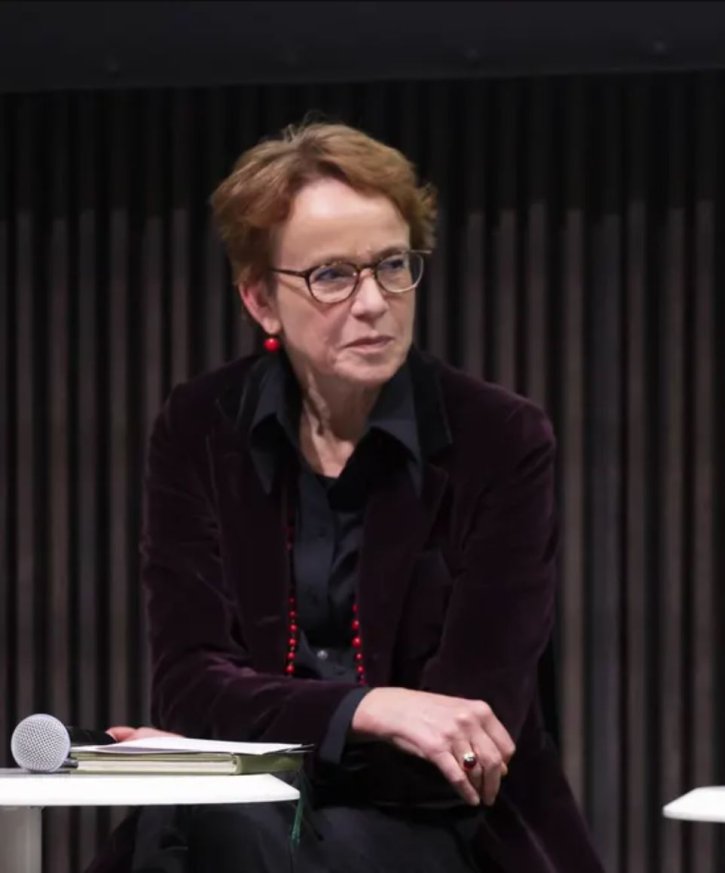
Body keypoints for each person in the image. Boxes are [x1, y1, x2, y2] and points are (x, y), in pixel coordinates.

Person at [88, 121, 604, 873]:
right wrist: (369, 708)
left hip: (446, 831)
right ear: (261, 299)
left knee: (205, 829)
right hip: (240, 818)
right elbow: (189, 686)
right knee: (206, 827)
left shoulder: (500, 438)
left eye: (392, 265)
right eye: (332, 275)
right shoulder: (200, 426)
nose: (373, 303)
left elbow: (467, 741)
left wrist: (239, 750)